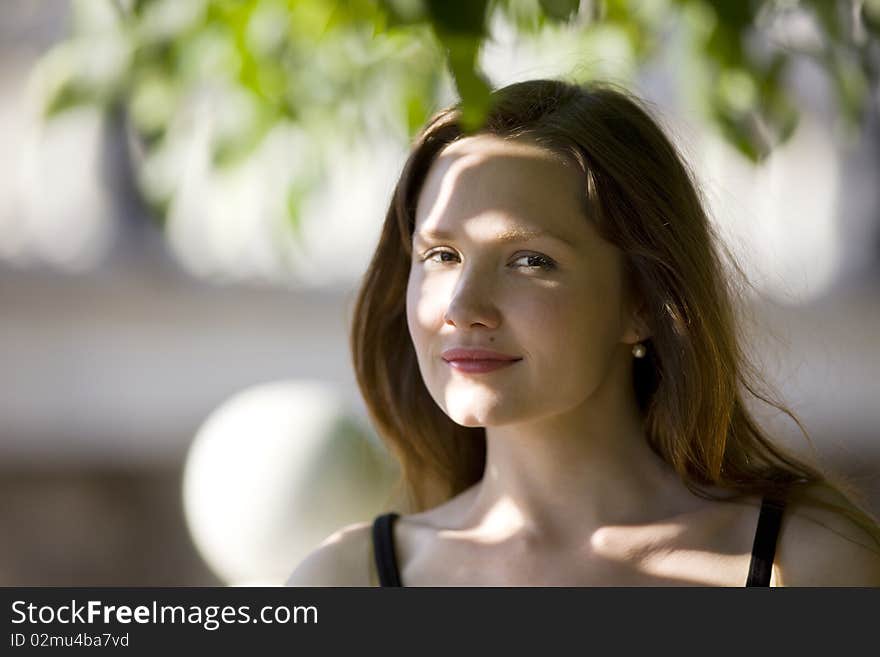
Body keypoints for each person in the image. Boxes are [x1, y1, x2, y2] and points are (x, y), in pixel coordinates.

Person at [286, 79, 880, 586]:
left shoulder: (805, 563)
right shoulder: (347, 580)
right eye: (441, 254)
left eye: (530, 261)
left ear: (643, 300)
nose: (464, 307)